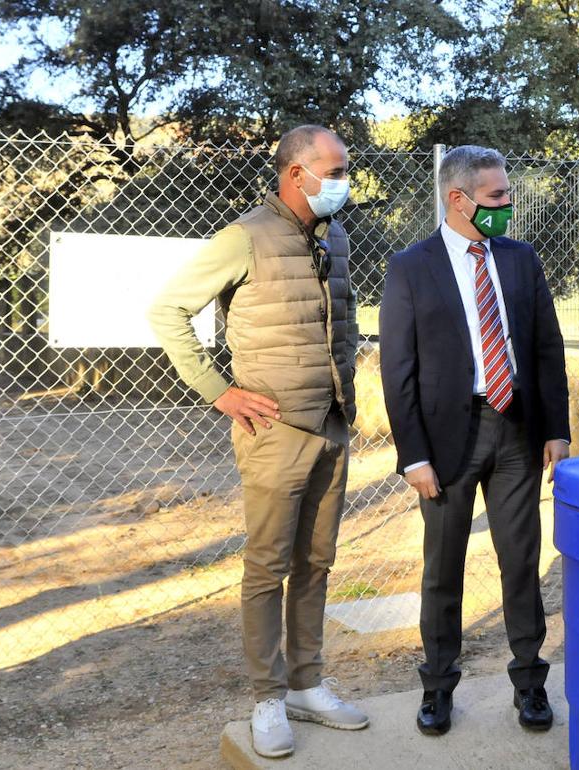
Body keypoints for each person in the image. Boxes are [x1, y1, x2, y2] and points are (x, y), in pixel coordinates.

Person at [148, 124, 369, 758]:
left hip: (332, 424)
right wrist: (220, 391)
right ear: (295, 174)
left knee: (317, 562)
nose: (341, 181)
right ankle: (267, 698)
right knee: (268, 567)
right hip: (274, 433)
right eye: (333, 170)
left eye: (343, 169)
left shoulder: (336, 236)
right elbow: (166, 309)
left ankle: (307, 684)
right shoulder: (243, 238)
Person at [380, 144, 571, 736]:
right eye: (497, 197)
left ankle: (530, 684)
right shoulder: (411, 267)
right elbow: (398, 371)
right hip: (445, 442)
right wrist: (412, 456)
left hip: (516, 432)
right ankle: (438, 686)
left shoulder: (520, 259)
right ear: (457, 199)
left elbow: (546, 347)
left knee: (522, 561)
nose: (509, 205)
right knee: (444, 567)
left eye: (508, 194)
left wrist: (557, 428)